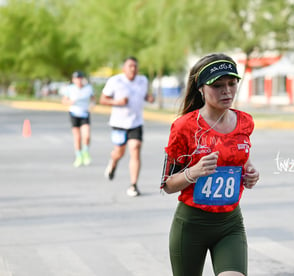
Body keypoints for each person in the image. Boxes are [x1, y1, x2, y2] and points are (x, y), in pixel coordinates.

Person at [161, 53, 260, 276]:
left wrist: (250, 174)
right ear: (201, 89)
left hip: (230, 224)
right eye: (218, 85)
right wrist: (193, 172)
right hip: (191, 225)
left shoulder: (244, 122)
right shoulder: (184, 127)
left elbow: (243, 161)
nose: (227, 91)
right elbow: (167, 184)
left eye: (232, 83)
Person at [100, 56, 154, 197]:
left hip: (136, 123)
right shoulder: (115, 81)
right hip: (119, 123)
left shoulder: (143, 81)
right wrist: (117, 102)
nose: (133, 68)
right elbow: (103, 99)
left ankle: (133, 185)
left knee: (135, 149)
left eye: (135, 66)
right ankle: (113, 163)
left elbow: (144, 96)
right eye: (130, 66)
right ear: (124, 68)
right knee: (119, 152)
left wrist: (149, 98)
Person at [62, 71, 95, 167]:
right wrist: (70, 102)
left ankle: (85, 152)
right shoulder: (70, 89)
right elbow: (64, 100)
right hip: (74, 113)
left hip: (84, 113)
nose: (78, 80)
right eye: (76, 78)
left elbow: (93, 99)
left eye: (80, 78)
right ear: (73, 80)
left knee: (87, 135)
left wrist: (92, 105)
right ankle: (78, 156)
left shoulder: (88, 88)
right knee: (77, 137)